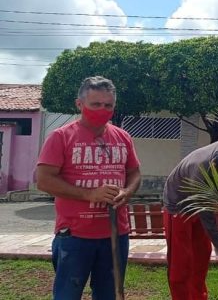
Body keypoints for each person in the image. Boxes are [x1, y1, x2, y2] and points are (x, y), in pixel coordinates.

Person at [36, 76, 142, 300]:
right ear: (79, 104)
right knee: (67, 294)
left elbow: (134, 173)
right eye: (96, 104)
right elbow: (44, 180)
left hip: (115, 233)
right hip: (74, 236)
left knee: (109, 294)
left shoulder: (123, 137)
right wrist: (89, 194)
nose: (103, 110)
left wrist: (127, 191)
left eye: (108, 105)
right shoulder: (61, 137)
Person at [162, 140, 218, 300]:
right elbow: (209, 223)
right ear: (213, 165)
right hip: (178, 204)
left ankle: (198, 297)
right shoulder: (200, 173)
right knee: (181, 261)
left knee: (202, 254)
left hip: (199, 201)